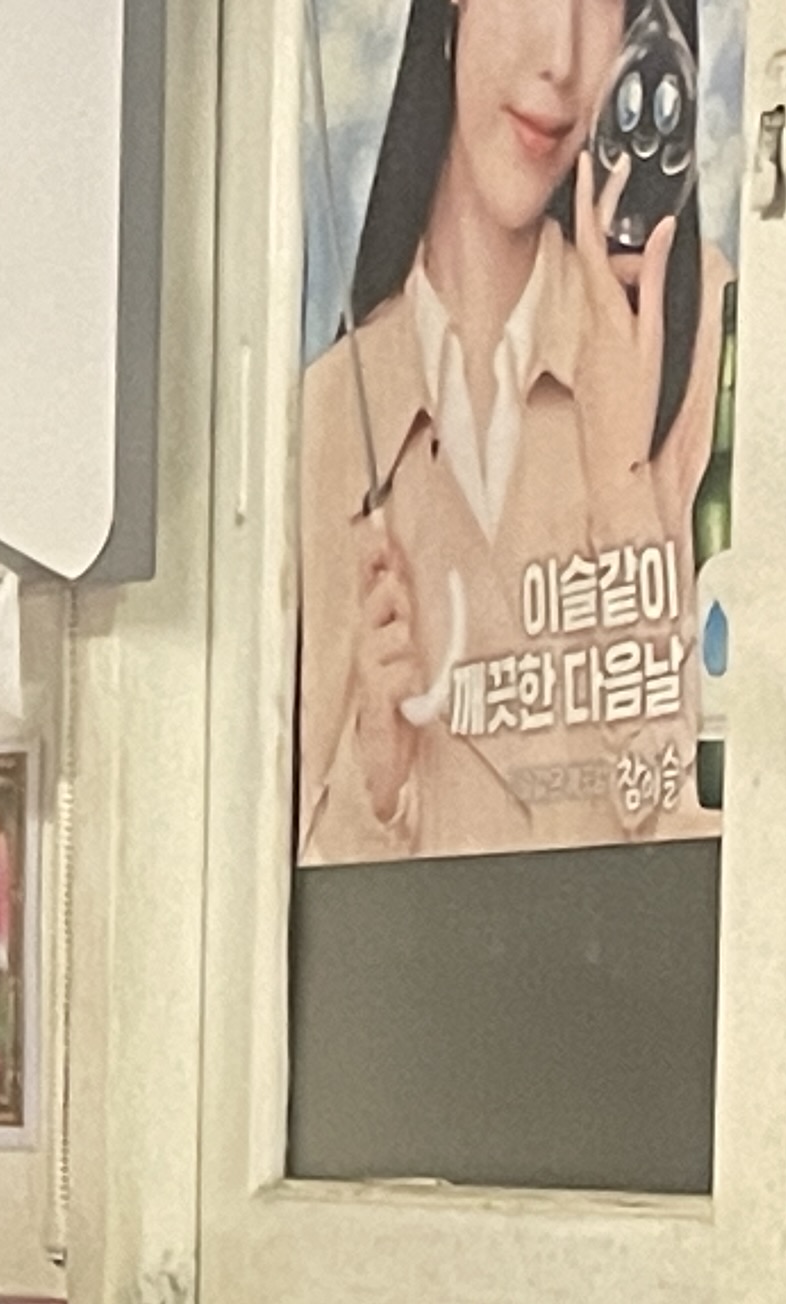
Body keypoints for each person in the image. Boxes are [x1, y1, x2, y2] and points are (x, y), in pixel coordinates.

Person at [296, 0, 726, 864]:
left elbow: (712, 845)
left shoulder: (692, 336)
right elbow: (268, 885)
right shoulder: (328, 412)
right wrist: (377, 778)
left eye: (603, 4)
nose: (562, 58)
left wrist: (622, 488)